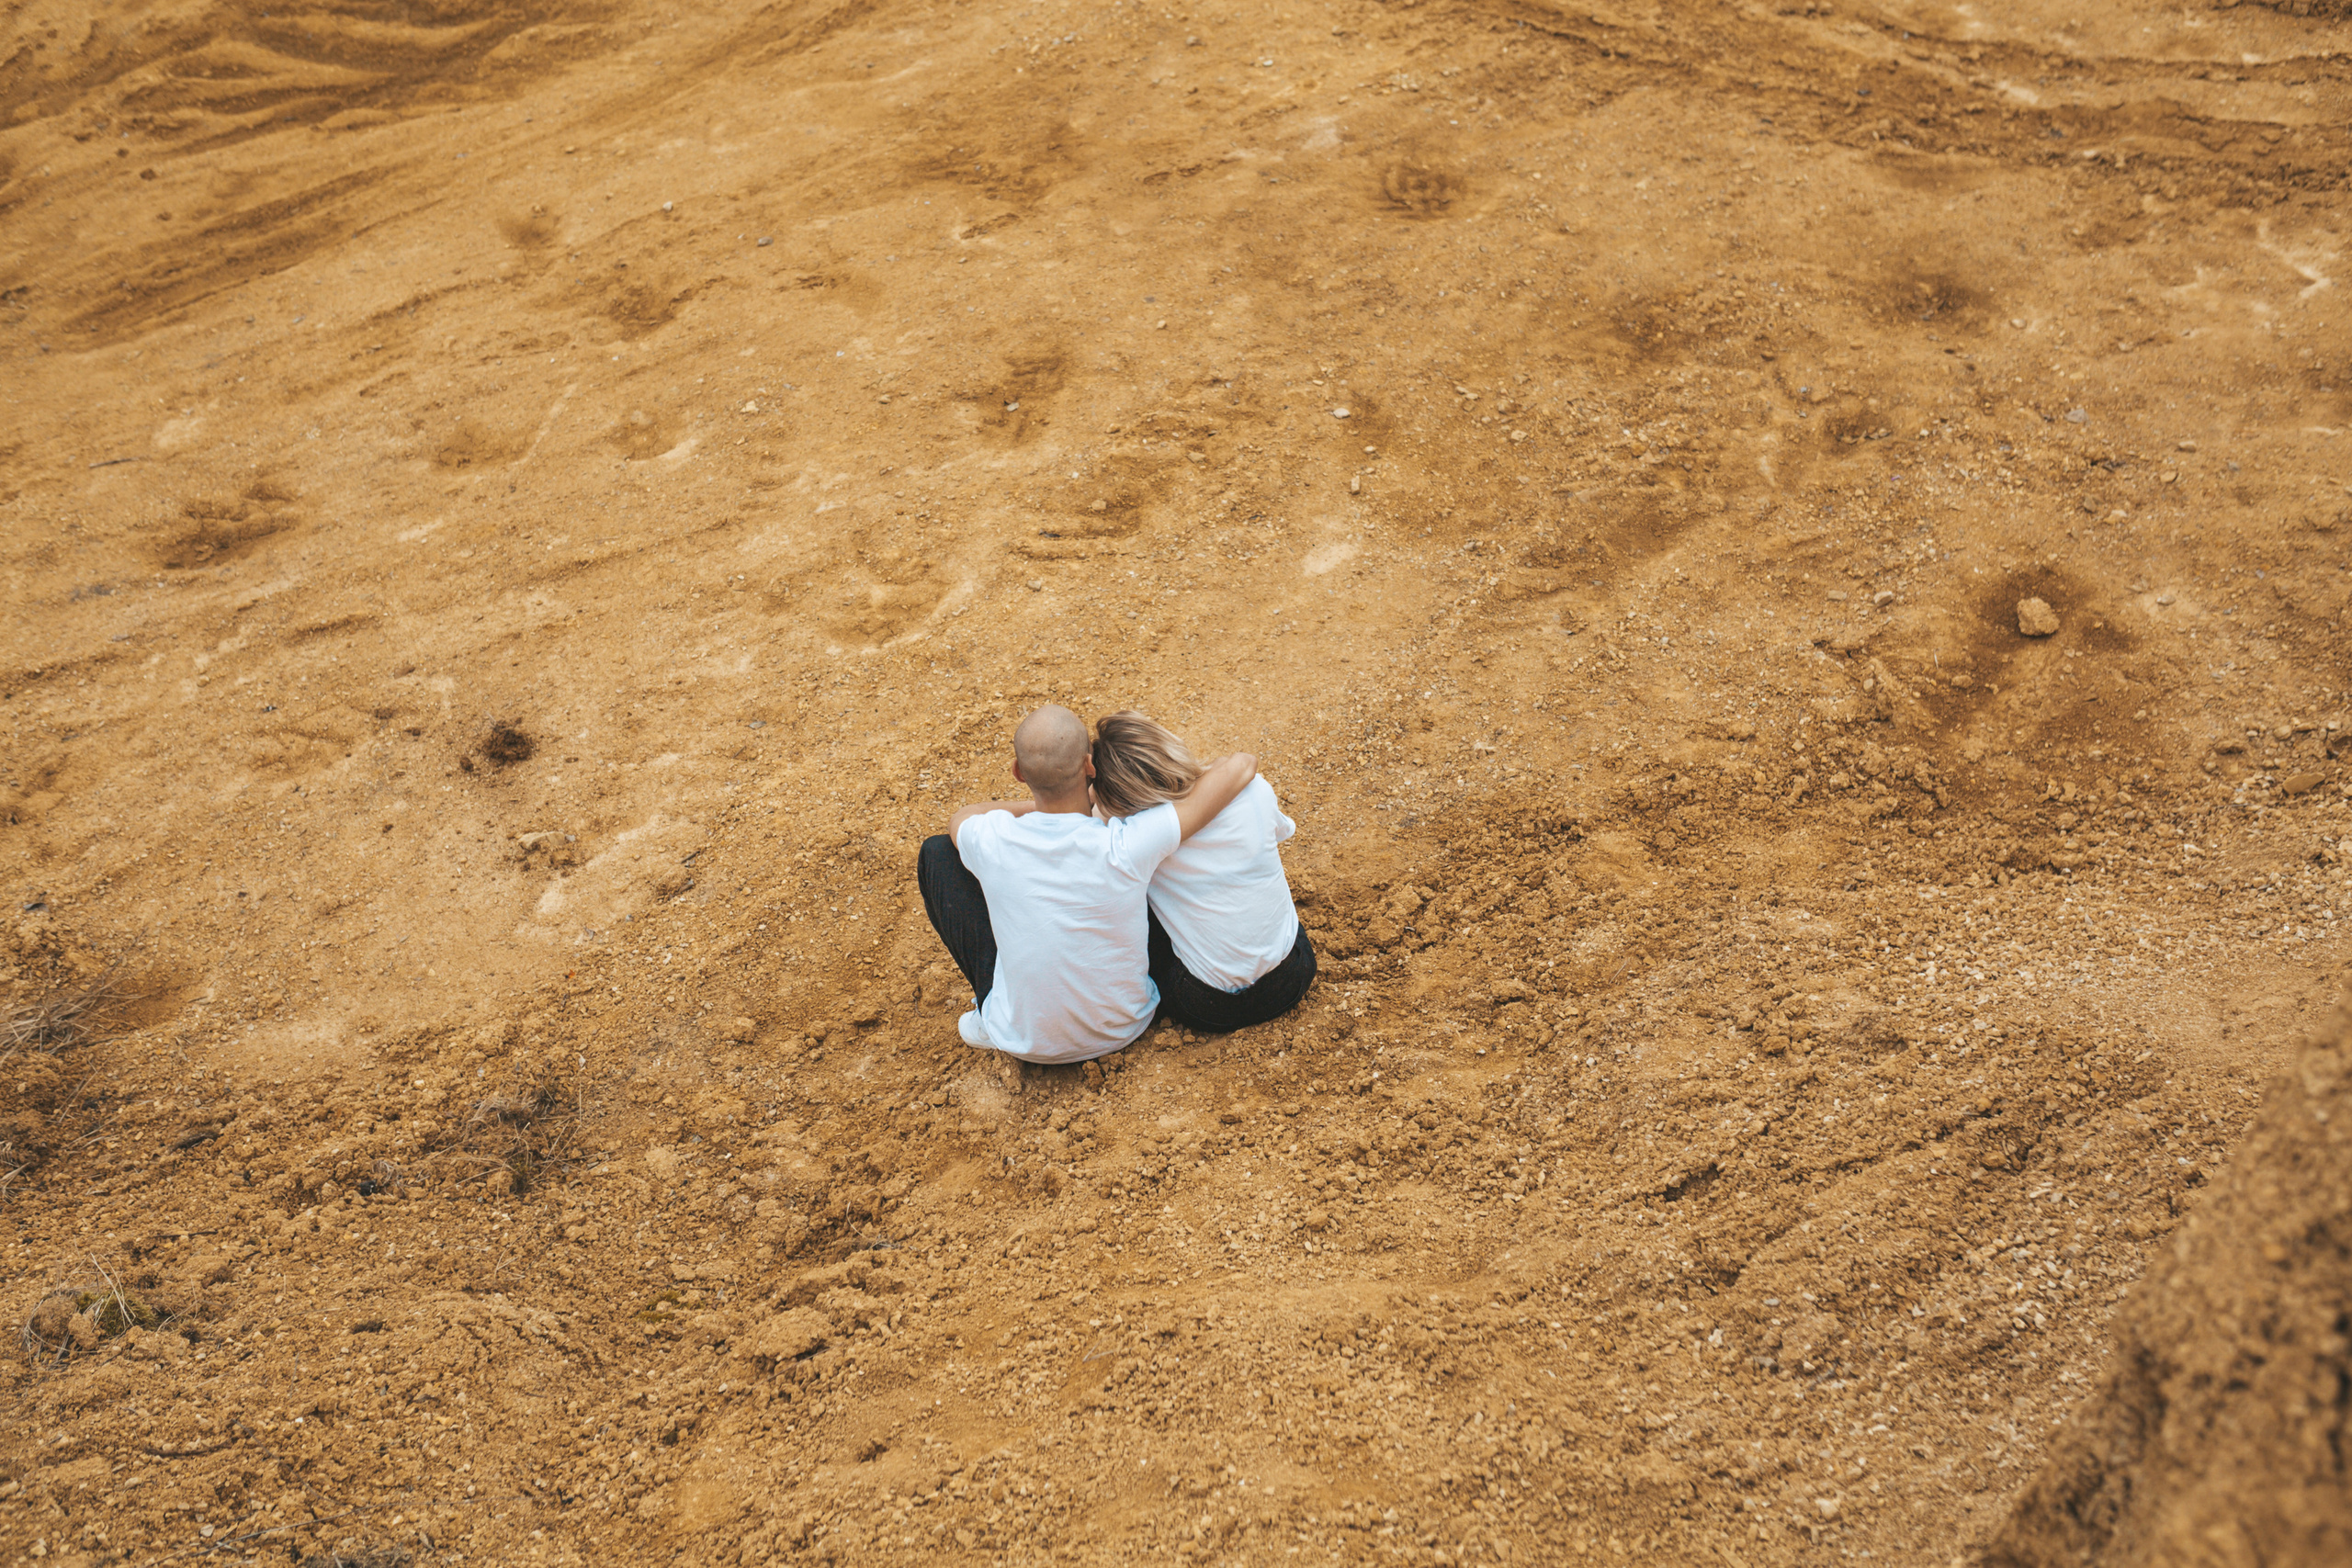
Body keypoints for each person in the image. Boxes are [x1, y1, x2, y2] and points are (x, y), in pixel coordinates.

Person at [916, 705, 1258, 1065]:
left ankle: (993, 1012)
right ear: (1090, 767)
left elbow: (962, 817)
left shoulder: (993, 839)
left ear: (1018, 772)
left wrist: (1036, 804)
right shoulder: (1126, 843)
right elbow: (1241, 767)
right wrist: (1093, 798)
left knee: (937, 852)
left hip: (1024, 1041)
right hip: (1126, 1028)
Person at [1090, 710, 1316, 1033]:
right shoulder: (1254, 791)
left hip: (1208, 1008)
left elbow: (1095, 814)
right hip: (1293, 977)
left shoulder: (1129, 836)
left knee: (1136, 900)